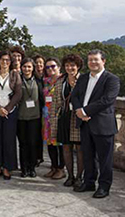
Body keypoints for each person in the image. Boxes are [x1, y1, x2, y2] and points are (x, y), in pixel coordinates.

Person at [73, 49, 120, 199]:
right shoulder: (83, 78)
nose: (92, 62)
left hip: (102, 124)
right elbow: (75, 96)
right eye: (90, 60)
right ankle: (89, 182)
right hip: (84, 124)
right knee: (87, 156)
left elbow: (107, 100)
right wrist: (79, 111)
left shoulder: (111, 79)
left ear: (103, 61)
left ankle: (104, 186)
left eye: (96, 59)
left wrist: (85, 112)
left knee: (105, 159)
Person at [0, 50, 22, 180]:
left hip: (10, 112)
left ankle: (8, 168)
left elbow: (18, 94)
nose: (5, 62)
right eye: (2, 60)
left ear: (10, 62)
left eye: (7, 60)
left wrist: (7, 108)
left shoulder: (15, 75)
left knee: (9, 140)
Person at [53, 54, 84, 187]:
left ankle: (79, 177)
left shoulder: (84, 80)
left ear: (78, 66)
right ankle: (70, 176)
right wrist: (54, 119)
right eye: (67, 65)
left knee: (80, 148)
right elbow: (55, 101)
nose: (70, 68)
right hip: (65, 117)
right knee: (66, 147)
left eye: (72, 65)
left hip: (79, 117)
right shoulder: (61, 81)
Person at [17, 58, 44, 178]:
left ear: (33, 68)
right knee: (23, 144)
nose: (27, 69)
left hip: (35, 117)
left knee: (33, 143)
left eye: (29, 67)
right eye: (24, 67)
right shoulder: (17, 80)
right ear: (21, 68)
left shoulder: (39, 81)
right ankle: (24, 168)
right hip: (21, 117)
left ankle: (32, 167)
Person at [42, 57, 66, 180]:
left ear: (59, 67)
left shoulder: (64, 80)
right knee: (50, 144)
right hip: (47, 118)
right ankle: (54, 167)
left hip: (59, 116)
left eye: (53, 66)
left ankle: (61, 169)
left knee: (60, 144)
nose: (50, 69)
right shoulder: (45, 81)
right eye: (47, 67)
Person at [32, 54, 46, 167]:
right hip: (35, 109)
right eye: (36, 63)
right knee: (36, 134)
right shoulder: (32, 78)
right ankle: (36, 157)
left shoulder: (47, 78)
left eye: (41, 62)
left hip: (47, 110)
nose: (39, 65)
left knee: (44, 135)